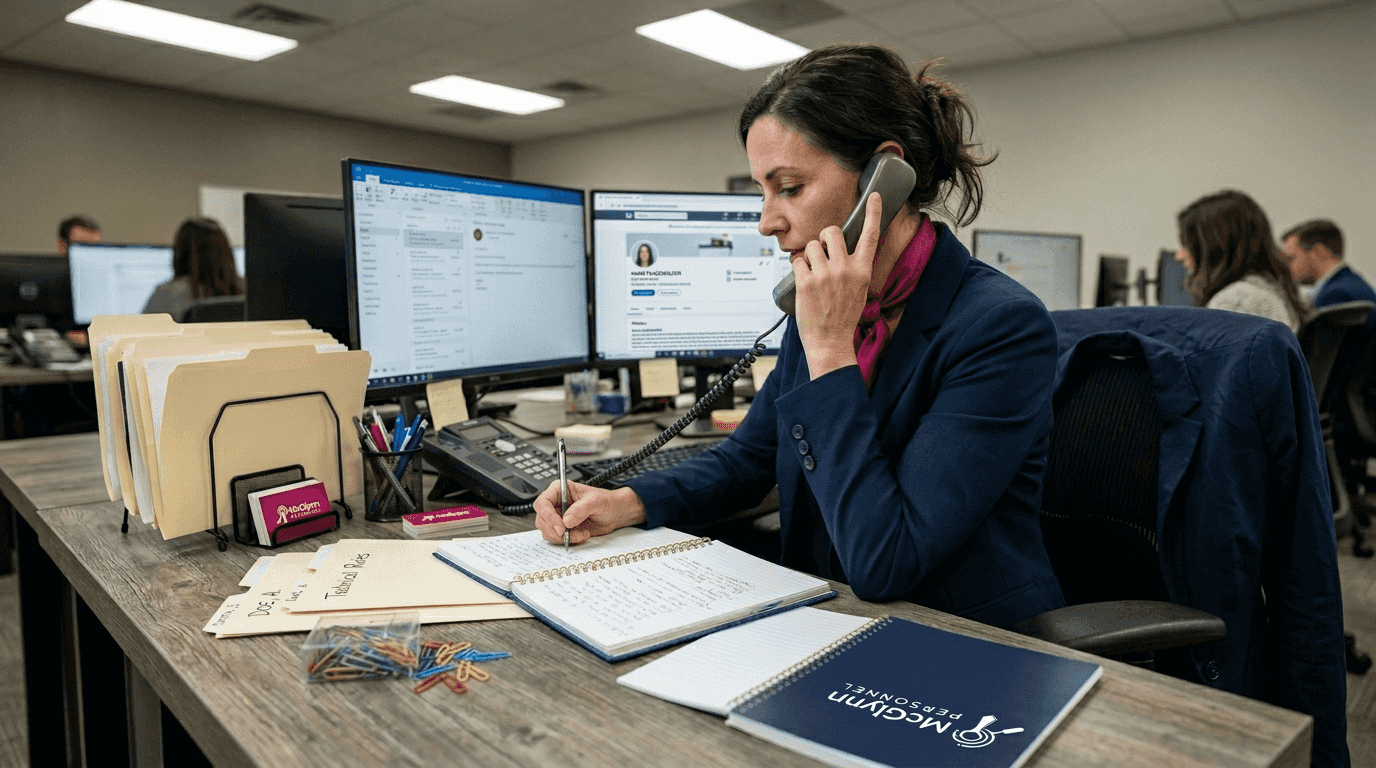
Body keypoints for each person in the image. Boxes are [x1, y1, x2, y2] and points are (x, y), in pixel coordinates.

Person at [535, 44, 1066, 630]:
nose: (766, 221)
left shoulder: (999, 328)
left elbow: (886, 562)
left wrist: (832, 352)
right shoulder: (825, 306)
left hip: (963, 641)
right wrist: (626, 503)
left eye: (789, 187)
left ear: (881, 178)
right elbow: (749, 460)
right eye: (763, 191)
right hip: (824, 617)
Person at [1174, 190, 1305, 332]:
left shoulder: (1236, 302)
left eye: (1185, 244)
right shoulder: (1271, 289)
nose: (1179, 256)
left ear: (1214, 248)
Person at [143, 217, 243, 319]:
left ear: (180, 253)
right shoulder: (249, 290)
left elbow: (143, 330)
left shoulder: (167, 294)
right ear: (226, 251)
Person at [1283, 219, 1374, 307]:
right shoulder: (1353, 284)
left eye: (1291, 258)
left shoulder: (1336, 295)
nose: (1286, 267)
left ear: (1319, 252)